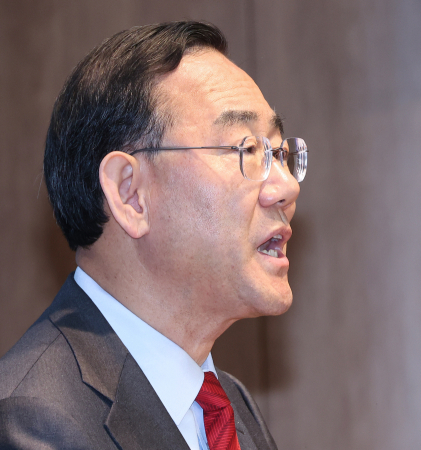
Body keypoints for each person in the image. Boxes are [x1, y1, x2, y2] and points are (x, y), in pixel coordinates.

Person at [0, 20, 307, 450]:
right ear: (130, 194)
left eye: (278, 152)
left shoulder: (230, 406)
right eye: (247, 149)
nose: (286, 187)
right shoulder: (32, 423)